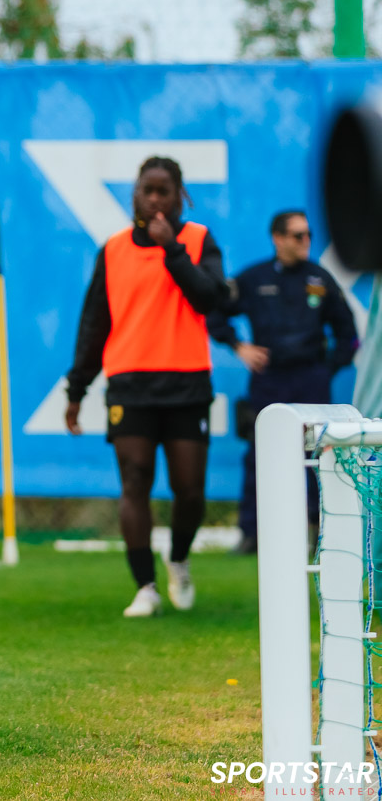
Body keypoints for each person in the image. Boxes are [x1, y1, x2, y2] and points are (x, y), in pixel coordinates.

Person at [64, 158, 228, 617]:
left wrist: (172, 249)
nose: (154, 199)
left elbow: (210, 299)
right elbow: (94, 324)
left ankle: (178, 559)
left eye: (164, 191)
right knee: (134, 481)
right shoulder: (113, 249)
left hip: (187, 382)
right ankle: (146, 587)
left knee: (189, 490)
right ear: (134, 193)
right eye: (146, 190)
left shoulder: (198, 240)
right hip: (130, 384)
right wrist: (77, 390)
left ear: (180, 196)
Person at [206, 210, 358, 554]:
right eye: (297, 235)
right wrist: (239, 346)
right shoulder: (254, 278)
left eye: (308, 235)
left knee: (319, 456)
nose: (306, 241)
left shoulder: (319, 279)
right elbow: (215, 313)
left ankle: (320, 532)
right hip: (269, 381)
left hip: (311, 380)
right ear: (278, 239)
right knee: (260, 453)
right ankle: (252, 533)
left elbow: (349, 334)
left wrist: (327, 369)